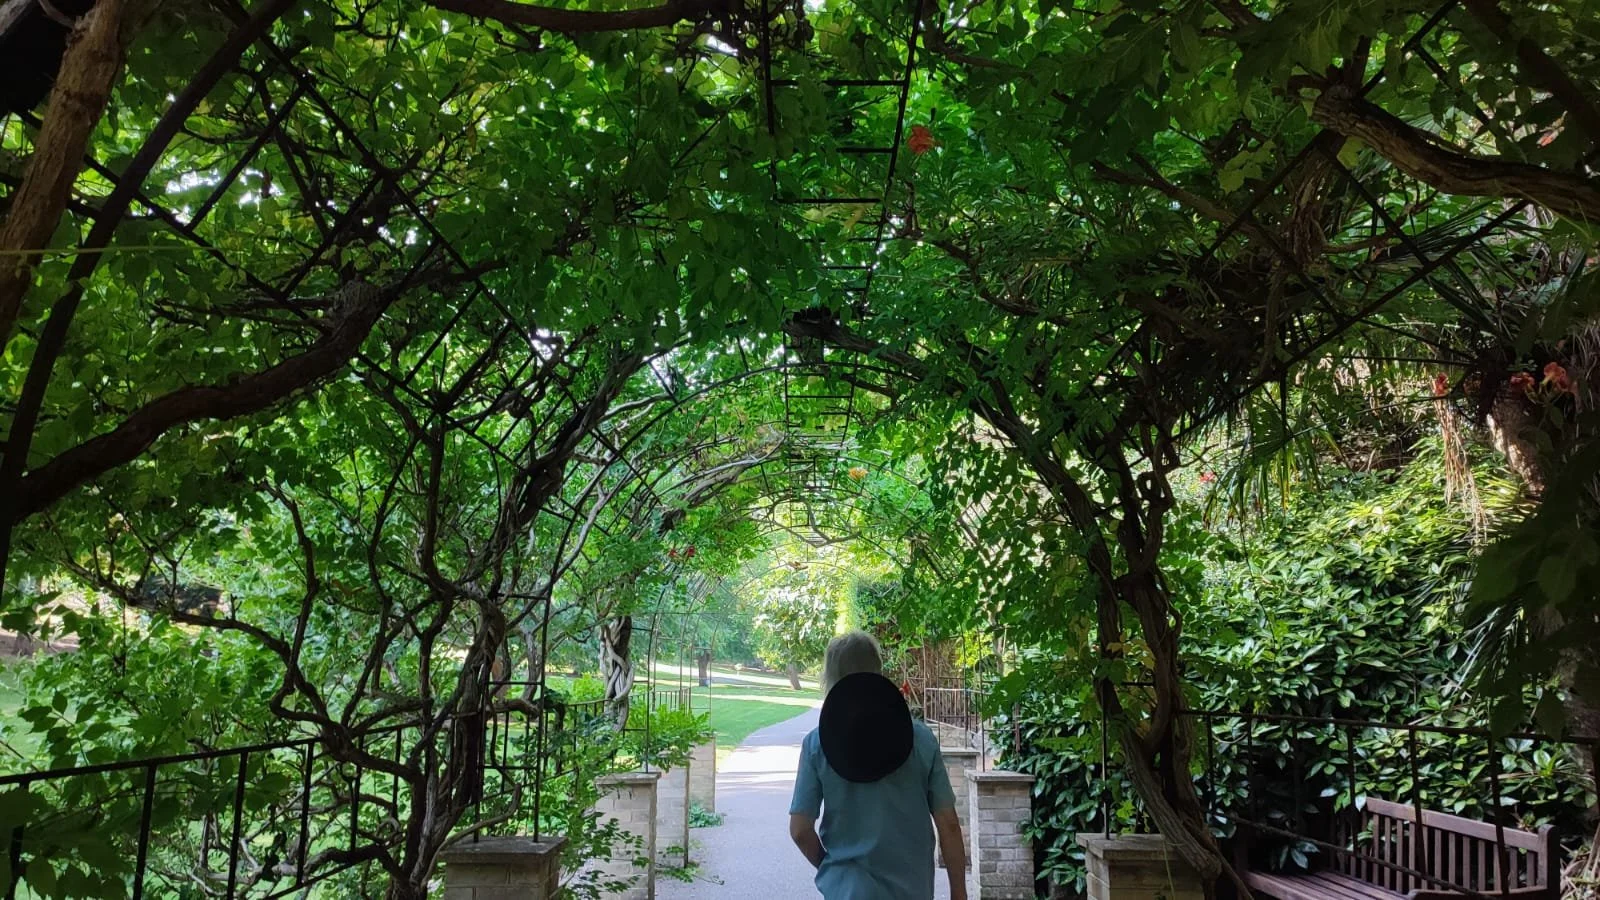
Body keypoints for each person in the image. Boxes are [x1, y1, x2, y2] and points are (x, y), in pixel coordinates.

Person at [788, 631, 968, 899]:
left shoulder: (817, 744)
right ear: (878, 671)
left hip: (847, 891)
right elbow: (949, 825)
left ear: (831, 678)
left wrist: (832, 870)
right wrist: (959, 894)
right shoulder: (920, 739)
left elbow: (800, 831)